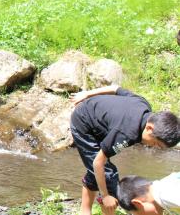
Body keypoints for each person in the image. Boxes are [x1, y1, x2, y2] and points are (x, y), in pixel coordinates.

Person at [69, 85, 180, 215]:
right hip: (84, 124)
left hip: (100, 120)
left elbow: (116, 88)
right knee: (108, 174)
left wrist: (87, 94)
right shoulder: (126, 134)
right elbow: (98, 163)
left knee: (98, 172)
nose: (153, 147)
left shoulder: (144, 106)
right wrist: (105, 196)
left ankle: (84, 211)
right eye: (155, 143)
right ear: (149, 128)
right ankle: (104, 209)